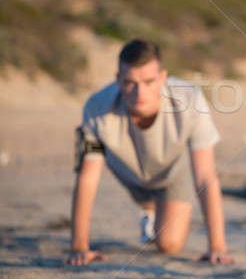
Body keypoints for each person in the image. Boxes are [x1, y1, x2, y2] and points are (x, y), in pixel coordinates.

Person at [65, 39, 234, 266]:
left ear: (162, 78)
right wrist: (79, 246)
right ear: (118, 80)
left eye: (148, 81)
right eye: (130, 83)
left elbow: (205, 175)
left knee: (169, 245)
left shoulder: (190, 100)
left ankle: (155, 214)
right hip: (130, 174)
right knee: (143, 203)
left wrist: (217, 247)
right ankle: (148, 207)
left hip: (172, 174)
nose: (139, 92)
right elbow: (87, 178)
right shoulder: (96, 107)